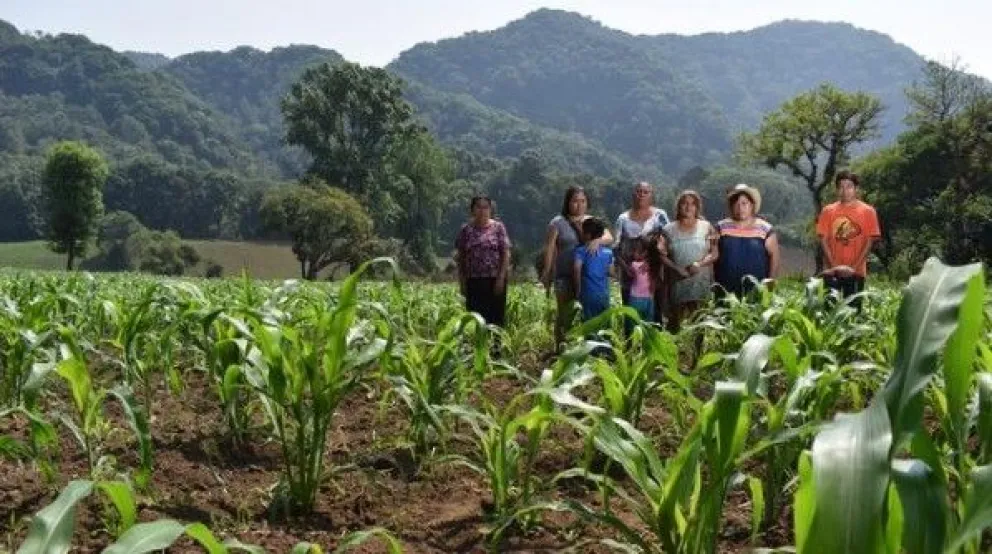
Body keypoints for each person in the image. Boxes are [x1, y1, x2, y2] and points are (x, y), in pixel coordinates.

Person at [540, 187, 613, 350]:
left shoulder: (591, 221)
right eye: (575, 201)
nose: (579, 205)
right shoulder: (557, 222)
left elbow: (609, 237)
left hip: (588, 278)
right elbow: (550, 250)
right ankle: (561, 348)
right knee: (564, 314)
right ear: (567, 202)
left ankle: (588, 349)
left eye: (583, 201)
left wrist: (597, 241)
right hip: (564, 276)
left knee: (587, 314)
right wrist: (546, 273)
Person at [816, 170, 881, 311]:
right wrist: (835, 267)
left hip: (856, 272)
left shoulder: (868, 211)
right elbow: (824, 240)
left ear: (856, 189)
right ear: (837, 189)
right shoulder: (828, 211)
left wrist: (853, 268)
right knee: (829, 312)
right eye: (841, 187)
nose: (845, 191)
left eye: (849, 186)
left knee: (853, 313)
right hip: (832, 272)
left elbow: (869, 242)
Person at [659, 190, 719, 331]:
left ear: (697, 207)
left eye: (692, 204)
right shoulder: (668, 230)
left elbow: (715, 253)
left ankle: (697, 353)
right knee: (674, 325)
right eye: (684, 203)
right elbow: (661, 255)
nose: (688, 207)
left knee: (700, 325)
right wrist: (676, 268)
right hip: (677, 284)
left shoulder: (706, 227)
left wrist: (700, 263)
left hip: (700, 283)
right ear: (678, 206)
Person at [612, 181, 670, 321]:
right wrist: (626, 268)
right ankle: (630, 342)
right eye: (638, 191)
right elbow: (615, 248)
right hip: (630, 276)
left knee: (656, 313)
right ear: (633, 194)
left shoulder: (659, 215)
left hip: (654, 274)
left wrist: (656, 255)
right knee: (631, 314)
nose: (641, 195)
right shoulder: (623, 218)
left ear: (651, 195)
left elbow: (669, 238)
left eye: (646, 192)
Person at [713, 184, 780, 298]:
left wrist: (770, 282)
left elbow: (775, 257)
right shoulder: (721, 227)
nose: (740, 208)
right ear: (731, 206)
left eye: (744, 203)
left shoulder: (765, 229)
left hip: (756, 289)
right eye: (736, 204)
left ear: (752, 206)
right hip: (725, 290)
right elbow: (712, 254)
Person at [454, 196, 511, 327]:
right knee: (476, 318)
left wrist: (501, 278)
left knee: (496, 318)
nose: (482, 210)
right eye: (478, 207)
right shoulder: (466, 230)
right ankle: (478, 346)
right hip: (473, 281)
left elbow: (505, 253)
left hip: (494, 280)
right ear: (472, 210)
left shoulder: (498, 227)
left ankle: (496, 347)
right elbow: (461, 257)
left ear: (490, 210)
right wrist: (462, 282)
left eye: (486, 207)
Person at [573, 217, 615, 321]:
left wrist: (577, 291)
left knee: (588, 324)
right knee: (604, 323)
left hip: (587, 294)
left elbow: (576, 270)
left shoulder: (580, 251)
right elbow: (611, 272)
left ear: (587, 234)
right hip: (603, 294)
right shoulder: (608, 253)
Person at [626, 236, 656, 326]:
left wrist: (622, 263)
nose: (632, 253)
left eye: (635, 251)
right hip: (649, 298)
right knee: (648, 323)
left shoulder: (633, 264)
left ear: (644, 252)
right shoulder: (652, 265)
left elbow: (630, 274)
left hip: (635, 298)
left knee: (634, 324)